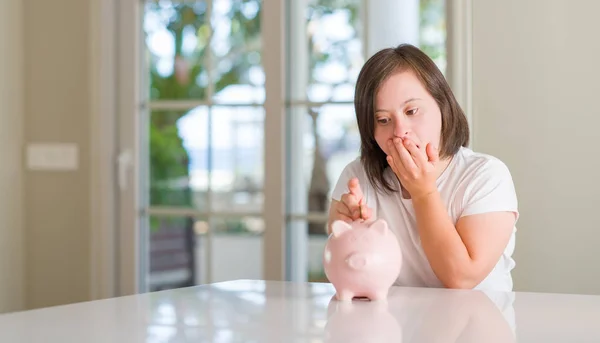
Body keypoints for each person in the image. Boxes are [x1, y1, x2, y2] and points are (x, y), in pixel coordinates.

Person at [328, 44, 519, 292]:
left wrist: (423, 192)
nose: (399, 131)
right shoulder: (358, 177)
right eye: (383, 120)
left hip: (478, 325)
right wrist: (353, 234)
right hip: (393, 327)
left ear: (443, 105)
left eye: (412, 111)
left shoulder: (487, 176)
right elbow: (345, 280)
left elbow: (461, 278)